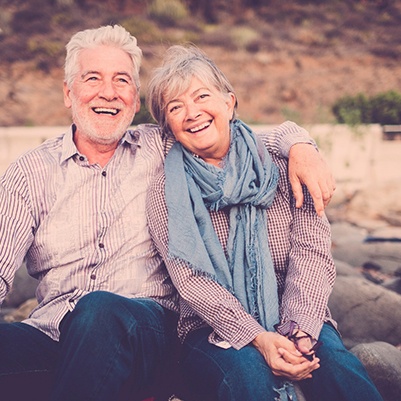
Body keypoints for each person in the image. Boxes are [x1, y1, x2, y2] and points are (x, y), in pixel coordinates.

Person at [0, 25, 334, 401]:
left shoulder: (161, 144)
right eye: (92, 78)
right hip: (54, 334)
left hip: (147, 334)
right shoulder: (29, 173)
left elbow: (231, 131)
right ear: (68, 92)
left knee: (99, 311)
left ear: (134, 96)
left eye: (121, 80)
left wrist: (300, 144)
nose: (108, 92)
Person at [146, 44, 384, 401]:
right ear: (169, 126)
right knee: (249, 377)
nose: (191, 113)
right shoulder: (167, 188)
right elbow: (190, 280)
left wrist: (298, 329)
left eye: (201, 96)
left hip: (296, 313)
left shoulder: (285, 160)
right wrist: (257, 337)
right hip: (212, 329)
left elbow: (312, 253)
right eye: (175, 107)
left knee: (339, 372)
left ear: (229, 102)